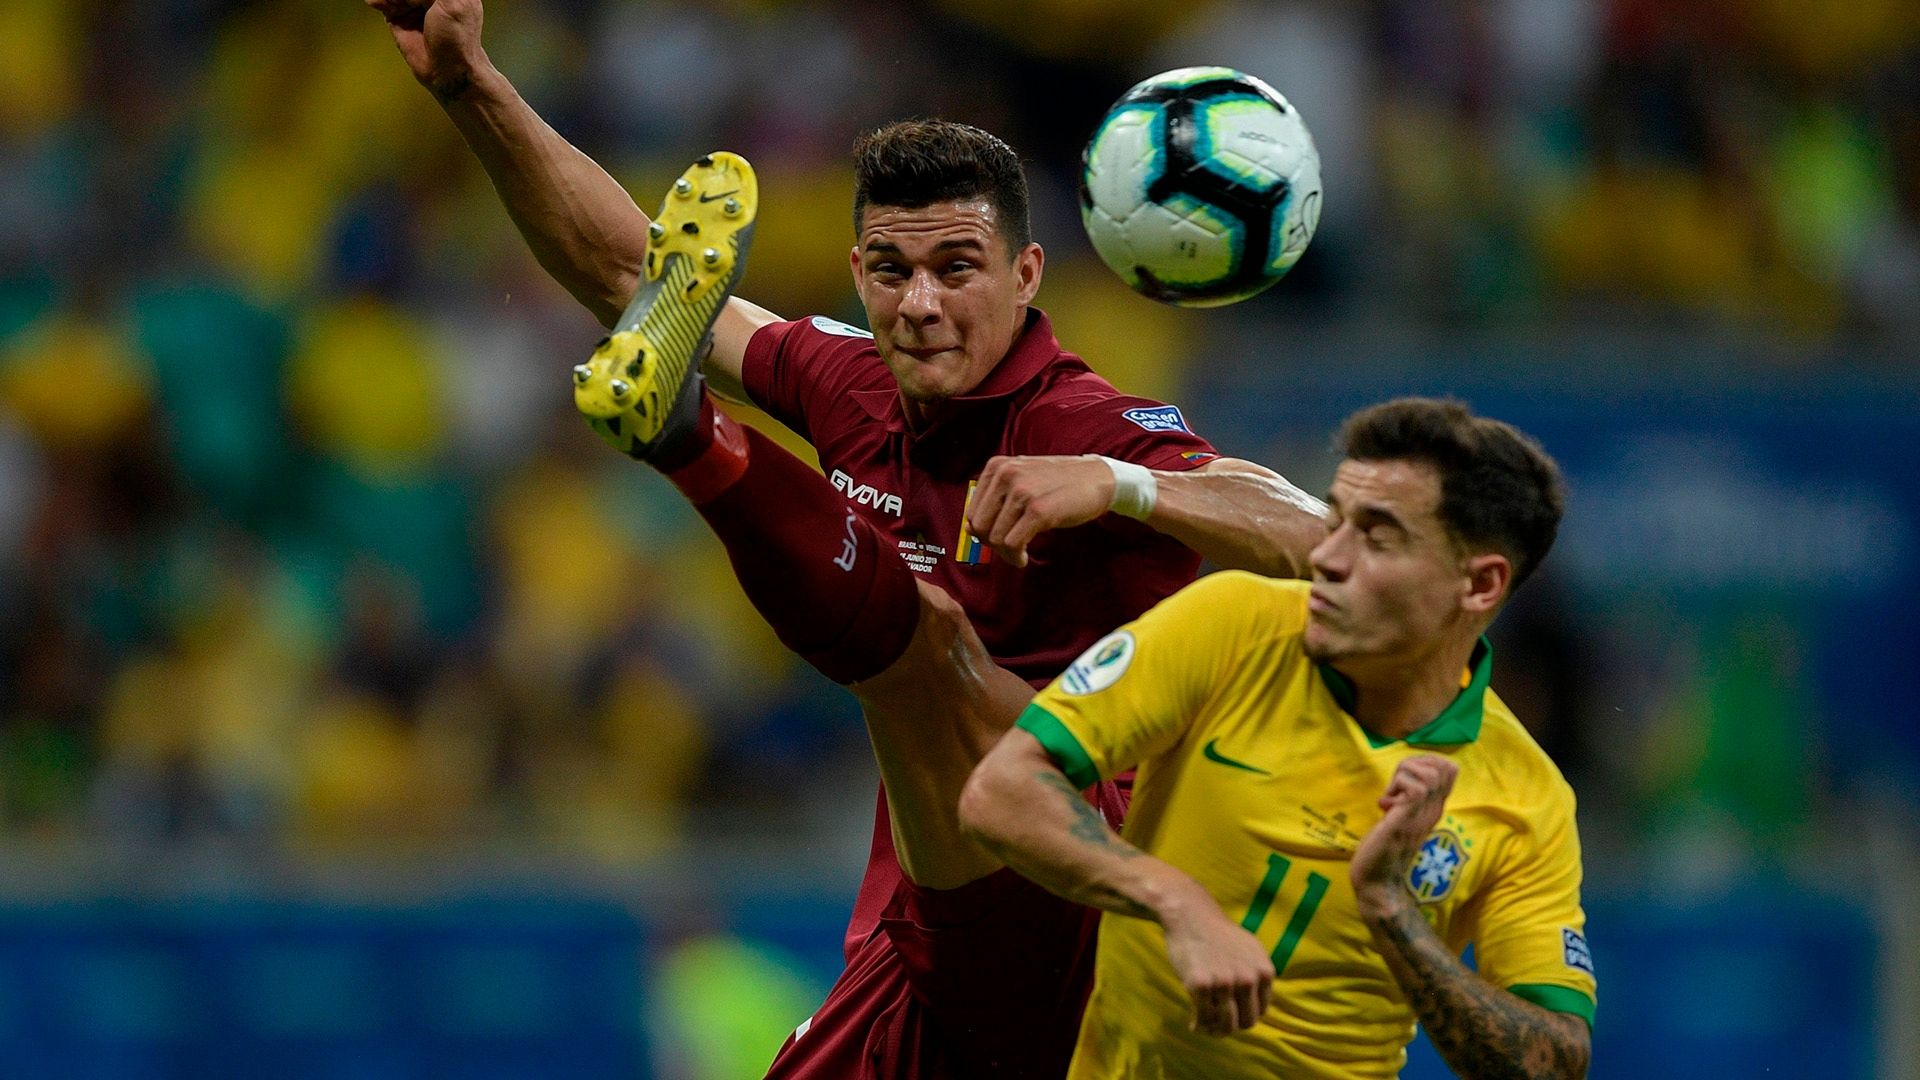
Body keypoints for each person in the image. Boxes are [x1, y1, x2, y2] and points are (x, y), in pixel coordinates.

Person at [365, 1, 1329, 1076]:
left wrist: (1117, 487)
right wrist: (467, 83)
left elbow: (1319, 536)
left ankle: (697, 444)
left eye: (957, 267)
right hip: (925, 929)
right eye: (889, 269)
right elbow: (622, 272)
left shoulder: (1080, 424)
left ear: (1026, 277)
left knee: (932, 647)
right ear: (860, 271)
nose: (919, 304)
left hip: (1096, 902)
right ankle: (694, 433)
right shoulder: (853, 384)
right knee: (919, 653)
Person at [961, 398, 1594, 1079]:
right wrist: (1177, 903)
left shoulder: (1527, 799)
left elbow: (1554, 1062)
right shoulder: (1234, 623)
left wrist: (1393, 914)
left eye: (1376, 538)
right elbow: (1001, 791)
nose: (1326, 556)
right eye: (1336, 520)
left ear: (1480, 584)